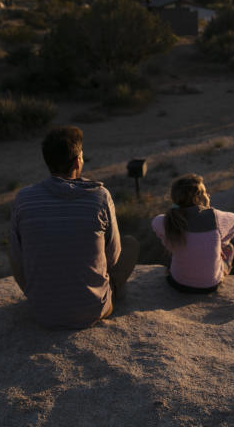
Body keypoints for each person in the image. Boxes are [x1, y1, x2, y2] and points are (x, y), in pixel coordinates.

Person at [9, 125, 139, 329]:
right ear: (78, 160)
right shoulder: (99, 196)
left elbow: (18, 260)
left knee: (15, 247)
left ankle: (47, 298)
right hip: (93, 310)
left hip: (41, 312)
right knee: (130, 244)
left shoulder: (24, 199)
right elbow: (113, 257)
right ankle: (103, 295)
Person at [151, 174, 234, 293]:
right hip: (210, 286)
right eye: (204, 192)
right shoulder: (215, 217)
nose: (208, 195)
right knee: (229, 248)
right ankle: (221, 272)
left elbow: (155, 223)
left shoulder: (169, 220)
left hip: (178, 283)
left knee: (175, 247)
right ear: (196, 198)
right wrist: (219, 244)